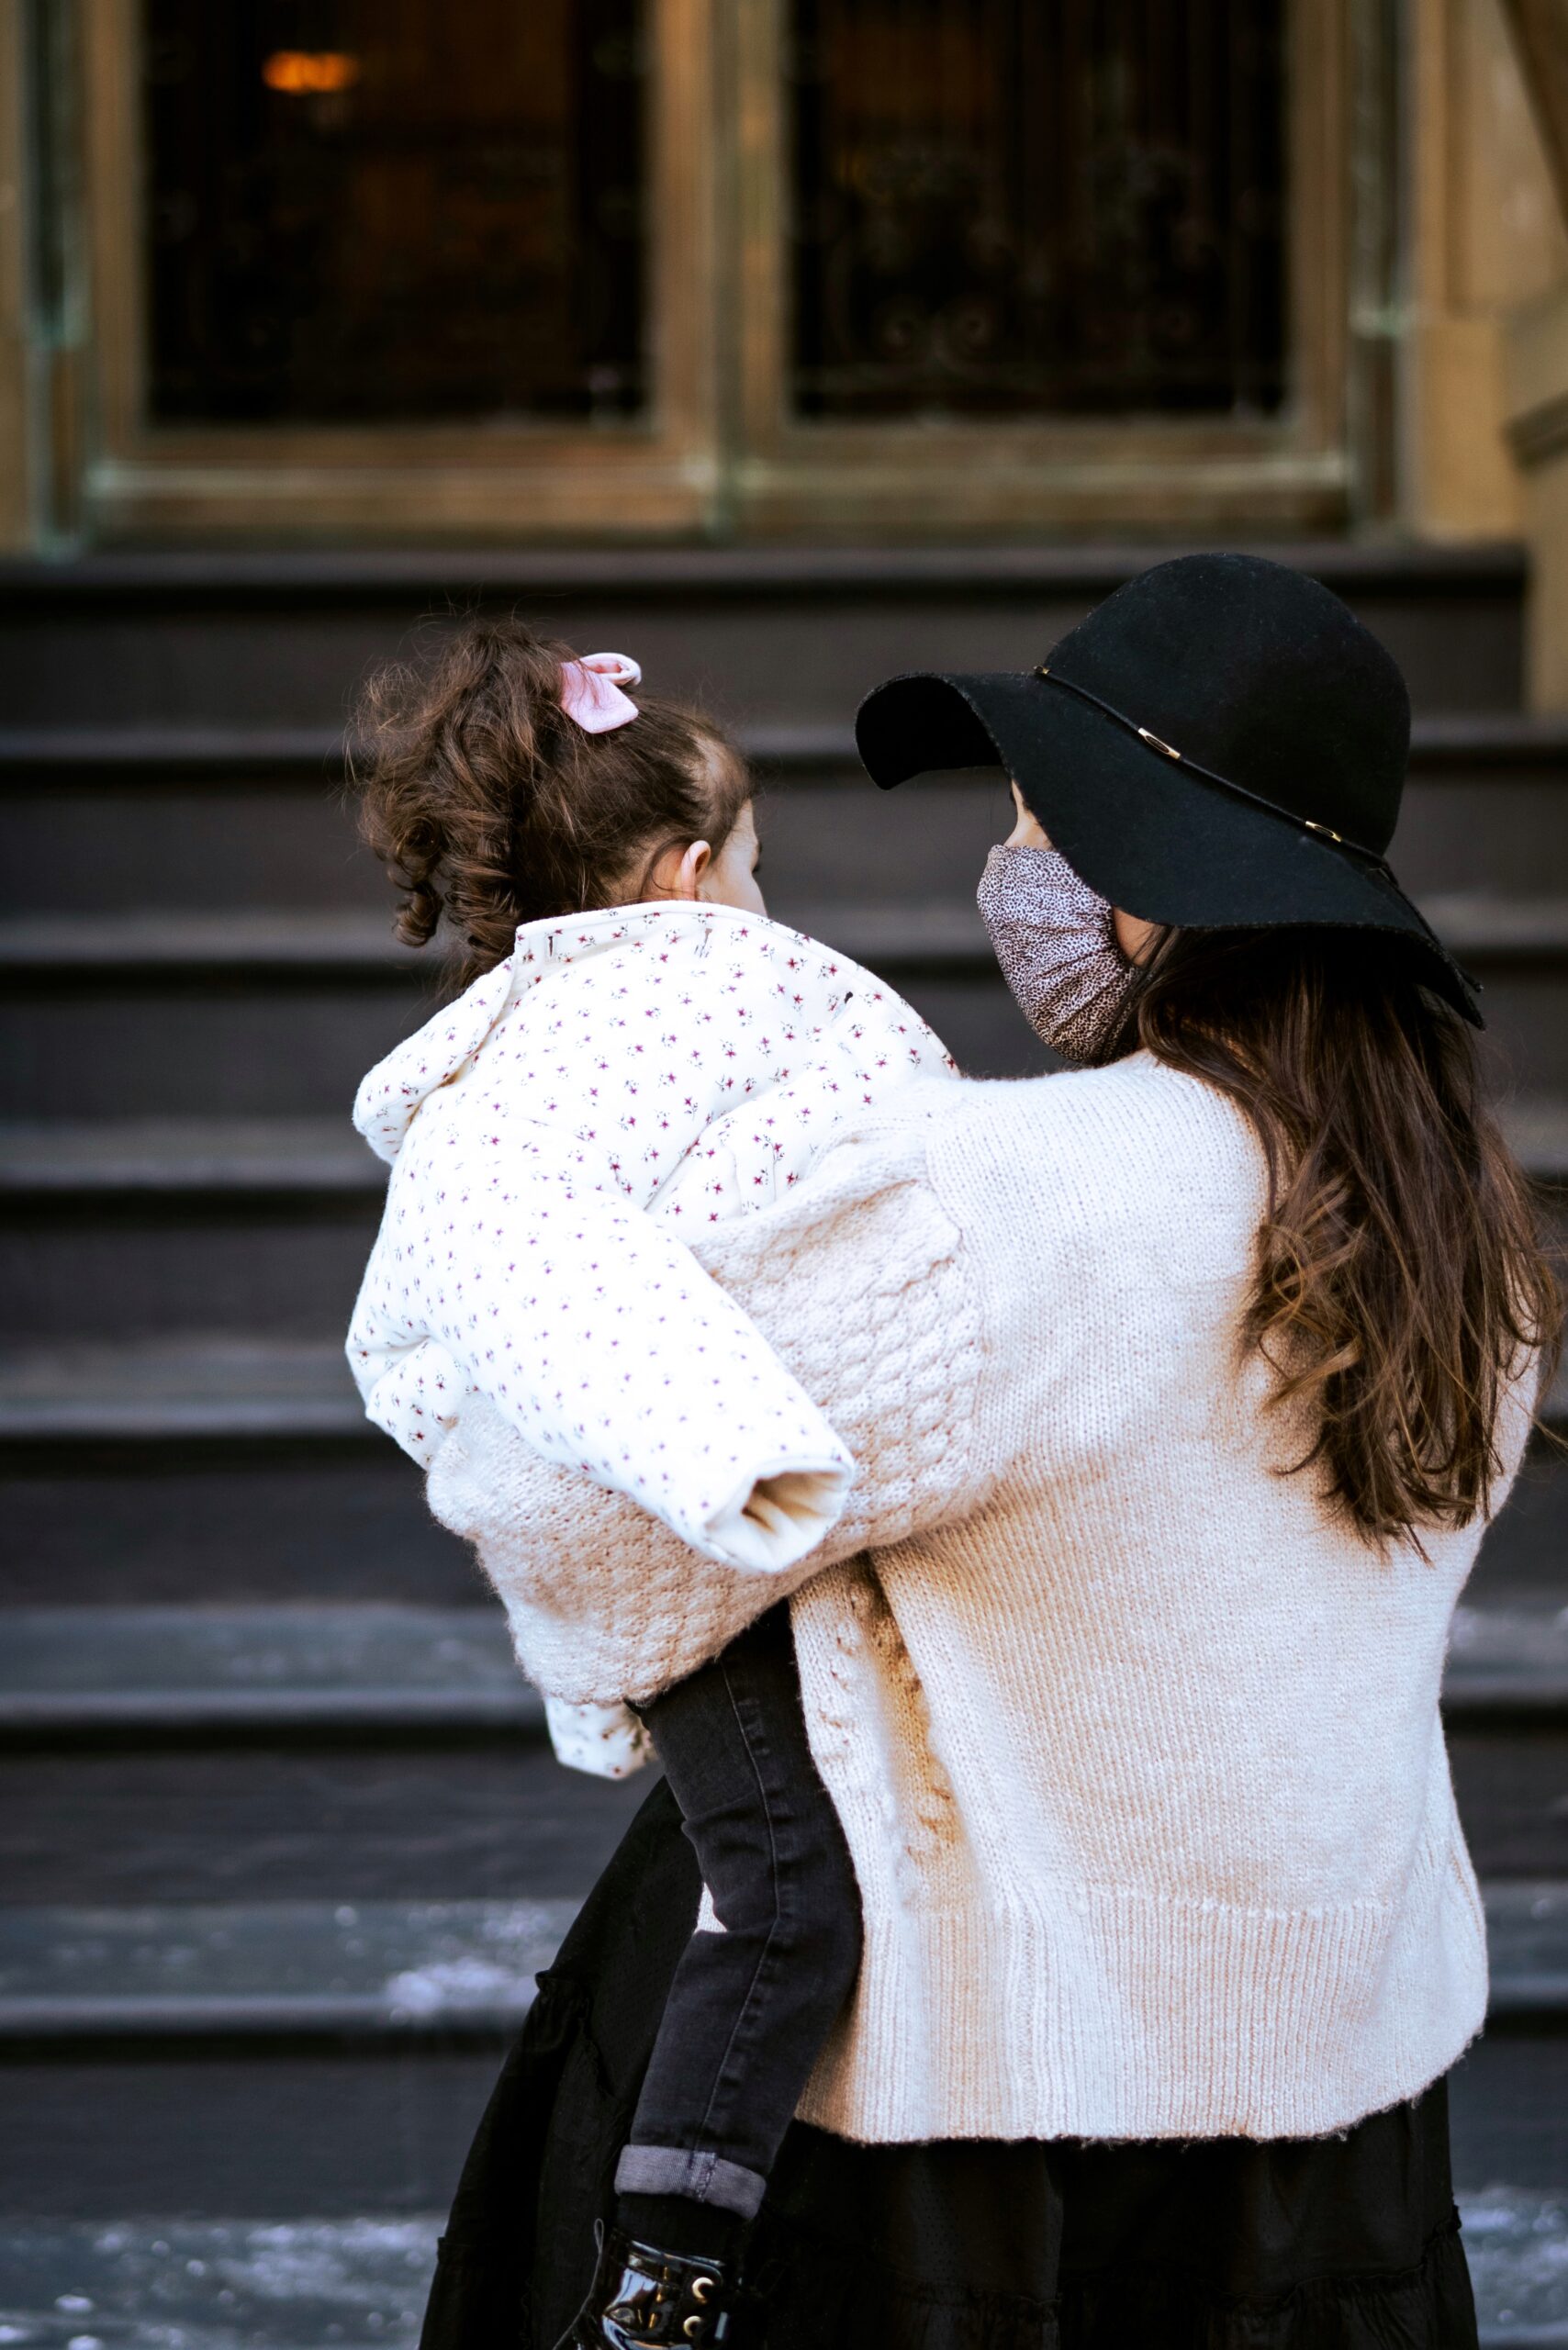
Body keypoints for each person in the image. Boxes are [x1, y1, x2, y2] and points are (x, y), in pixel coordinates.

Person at [417, 555, 1560, 2350]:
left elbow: (572, 1497)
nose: (1010, 867)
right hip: (1332, 2121)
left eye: (1038, 824)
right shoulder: (1462, 1236)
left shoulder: (1004, 1196)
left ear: (1143, 895)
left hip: (951, 2124)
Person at [343, 620, 957, 2342]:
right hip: (726, 1511)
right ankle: (666, 2275)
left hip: (683, 1515)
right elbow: (900, 1176)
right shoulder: (703, 994)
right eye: (760, 861)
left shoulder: (510, 1050)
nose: (770, 897)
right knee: (788, 1893)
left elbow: (408, 1334)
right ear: (691, 872)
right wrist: (728, 1457)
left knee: (784, 1871)